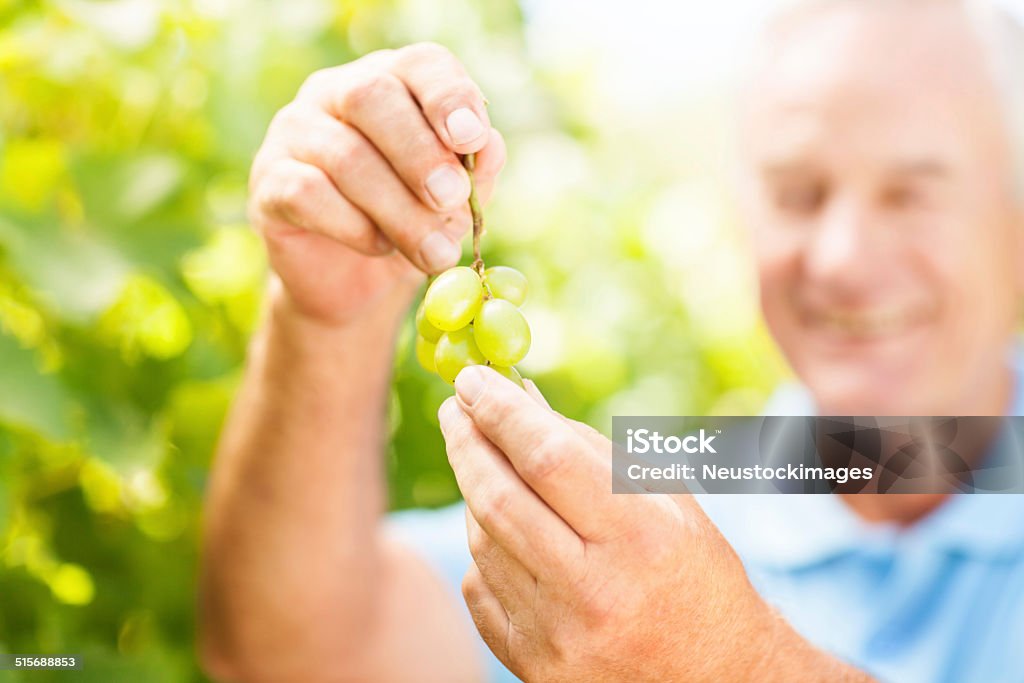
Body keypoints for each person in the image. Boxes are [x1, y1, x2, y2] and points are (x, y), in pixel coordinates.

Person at [198, 0, 1024, 681]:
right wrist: (325, 321)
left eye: (914, 193)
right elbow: (292, 653)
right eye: (798, 192)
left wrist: (729, 664)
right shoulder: (701, 475)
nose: (844, 258)